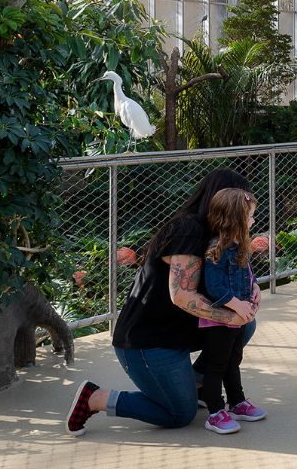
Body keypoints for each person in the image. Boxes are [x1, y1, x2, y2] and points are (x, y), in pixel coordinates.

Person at [66, 168, 260, 436]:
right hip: (149, 339)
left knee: (244, 327)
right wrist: (232, 316)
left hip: (180, 330)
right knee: (179, 413)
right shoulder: (188, 230)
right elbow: (181, 295)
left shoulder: (224, 237)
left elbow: (231, 272)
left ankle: (200, 385)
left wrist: (253, 288)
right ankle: (96, 398)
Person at [197, 187, 267, 434]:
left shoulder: (240, 245)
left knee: (233, 361)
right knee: (216, 365)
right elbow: (213, 286)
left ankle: (237, 401)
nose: (253, 220)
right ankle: (215, 411)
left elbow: (245, 272)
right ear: (235, 219)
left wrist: (254, 286)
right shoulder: (217, 248)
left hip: (239, 319)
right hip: (222, 320)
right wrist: (237, 305)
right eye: (249, 216)